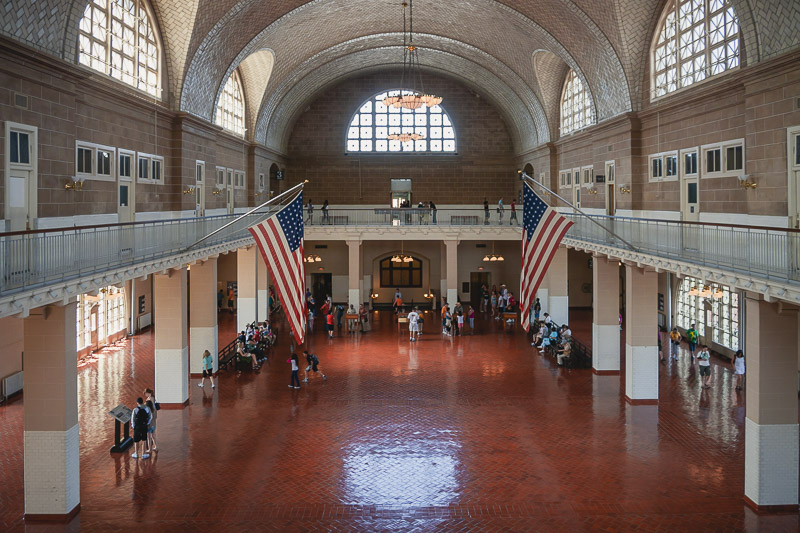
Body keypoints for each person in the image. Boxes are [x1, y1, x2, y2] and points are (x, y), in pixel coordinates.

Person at [143, 388, 158, 453]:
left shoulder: (150, 399)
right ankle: (156, 446)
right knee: (153, 434)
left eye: (146, 393)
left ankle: (150, 449)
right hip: (153, 416)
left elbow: (150, 407)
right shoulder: (153, 397)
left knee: (149, 435)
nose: (145, 395)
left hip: (150, 417)